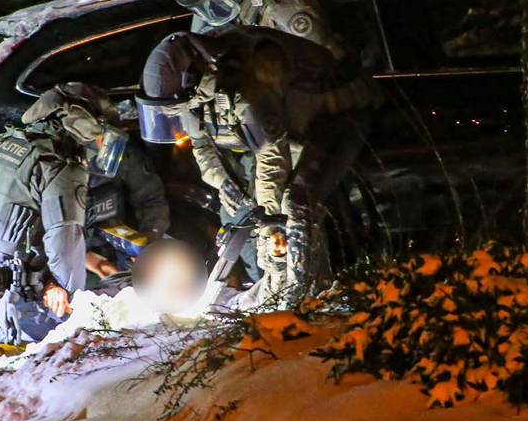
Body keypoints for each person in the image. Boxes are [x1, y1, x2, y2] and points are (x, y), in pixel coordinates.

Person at [138, 28, 383, 302]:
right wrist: (224, 183)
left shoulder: (246, 83)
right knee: (250, 213)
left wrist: (269, 222)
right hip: (287, 133)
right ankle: (274, 290)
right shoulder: (191, 95)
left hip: (335, 115)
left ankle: (305, 295)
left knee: (294, 204)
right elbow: (201, 145)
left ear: (191, 80)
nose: (176, 115)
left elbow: (272, 156)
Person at [167, 0, 340, 280]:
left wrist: (269, 203)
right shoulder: (215, 3)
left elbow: (315, 86)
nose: (208, 10)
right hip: (248, 133)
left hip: (290, 132)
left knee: (287, 229)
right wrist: (224, 181)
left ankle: (305, 298)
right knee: (248, 234)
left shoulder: (287, 9)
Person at [0, 84, 128, 344]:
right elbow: (64, 239)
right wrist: (70, 300)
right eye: (102, 134)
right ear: (85, 124)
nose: (102, 143)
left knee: (3, 345)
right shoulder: (60, 164)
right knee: (61, 347)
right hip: (3, 286)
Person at [67, 84, 170, 276]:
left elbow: (150, 198)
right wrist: (90, 261)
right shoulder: (50, 163)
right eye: (99, 135)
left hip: (119, 250)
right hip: (71, 263)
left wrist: (148, 243)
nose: (105, 142)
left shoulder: (118, 148)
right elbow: (44, 241)